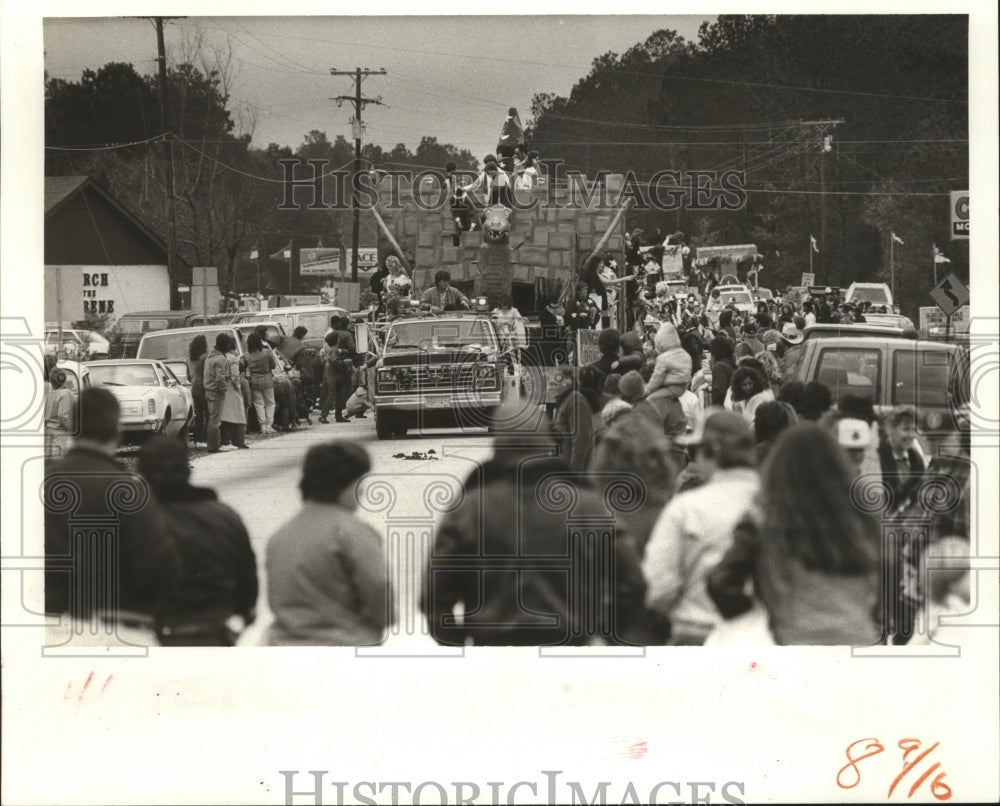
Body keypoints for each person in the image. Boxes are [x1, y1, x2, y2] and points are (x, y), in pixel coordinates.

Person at [421, 403, 650, 646]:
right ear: (548, 444)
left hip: (495, 657)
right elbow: (632, 585)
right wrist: (603, 633)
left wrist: (462, 648)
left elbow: (434, 598)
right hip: (569, 652)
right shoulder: (589, 506)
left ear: (498, 446)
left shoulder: (468, 508)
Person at [707, 424, 881, 646]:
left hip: (793, 641)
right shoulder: (862, 518)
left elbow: (721, 583)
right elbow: (888, 572)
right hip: (858, 640)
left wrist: (756, 614)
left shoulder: (764, 519)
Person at [44, 388, 181, 645]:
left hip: (44, 627)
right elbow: (161, 570)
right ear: (116, 431)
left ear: (73, 427)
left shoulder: (39, 483)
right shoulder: (128, 490)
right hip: (115, 630)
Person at [642, 410, 759, 645]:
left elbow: (658, 589)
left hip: (695, 633)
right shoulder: (779, 504)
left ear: (710, 453)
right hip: (761, 639)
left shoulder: (686, 507)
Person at [266, 441, 393, 645]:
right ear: (345, 485)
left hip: (283, 647)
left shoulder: (279, 535)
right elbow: (378, 588)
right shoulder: (354, 532)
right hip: (343, 646)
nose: (363, 493)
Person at [137, 436, 258, 646]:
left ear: (142, 474)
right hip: (215, 634)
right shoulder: (225, 516)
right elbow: (247, 591)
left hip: (153, 639)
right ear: (188, 469)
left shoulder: (133, 522)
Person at [549, 364, 594, 472]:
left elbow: (581, 440)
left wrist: (574, 474)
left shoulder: (575, 401)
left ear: (567, 383)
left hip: (572, 471)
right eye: (549, 384)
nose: (549, 388)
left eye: (553, 384)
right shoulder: (564, 401)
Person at [877, 404, 926, 502]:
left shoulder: (918, 461)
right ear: (890, 429)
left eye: (915, 430)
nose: (912, 435)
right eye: (906, 429)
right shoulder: (877, 459)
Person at [203, 332, 232, 453]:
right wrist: (224, 388)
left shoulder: (209, 357)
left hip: (208, 391)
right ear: (225, 345)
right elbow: (220, 378)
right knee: (215, 421)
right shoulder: (220, 359)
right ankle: (214, 445)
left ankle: (212, 444)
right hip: (217, 392)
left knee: (211, 419)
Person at [245, 332, 277, 434]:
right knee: (270, 403)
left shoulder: (246, 356)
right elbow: (273, 365)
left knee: (259, 404)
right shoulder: (267, 352)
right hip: (267, 379)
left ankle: (262, 426)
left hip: (254, 380)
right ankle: (269, 425)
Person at [220, 334, 249, 449]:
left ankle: (226, 439)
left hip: (223, 388)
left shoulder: (222, 357)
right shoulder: (233, 359)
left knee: (225, 415)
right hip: (232, 389)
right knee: (239, 415)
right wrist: (238, 389)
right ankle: (239, 440)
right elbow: (235, 376)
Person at [44, 366, 74, 461]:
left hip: (49, 429)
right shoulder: (64, 394)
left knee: (47, 457)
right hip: (59, 431)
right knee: (58, 458)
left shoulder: (49, 394)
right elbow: (63, 416)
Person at [186, 334, 208, 446]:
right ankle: (204, 439)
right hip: (204, 387)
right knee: (208, 414)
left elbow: (188, 377)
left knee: (198, 415)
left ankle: (196, 439)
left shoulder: (189, 359)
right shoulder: (205, 358)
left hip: (194, 387)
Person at [445, 161, 472, 246]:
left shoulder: (447, 181)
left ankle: (456, 248)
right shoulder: (458, 179)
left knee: (456, 229)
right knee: (462, 227)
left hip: (453, 204)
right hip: (460, 204)